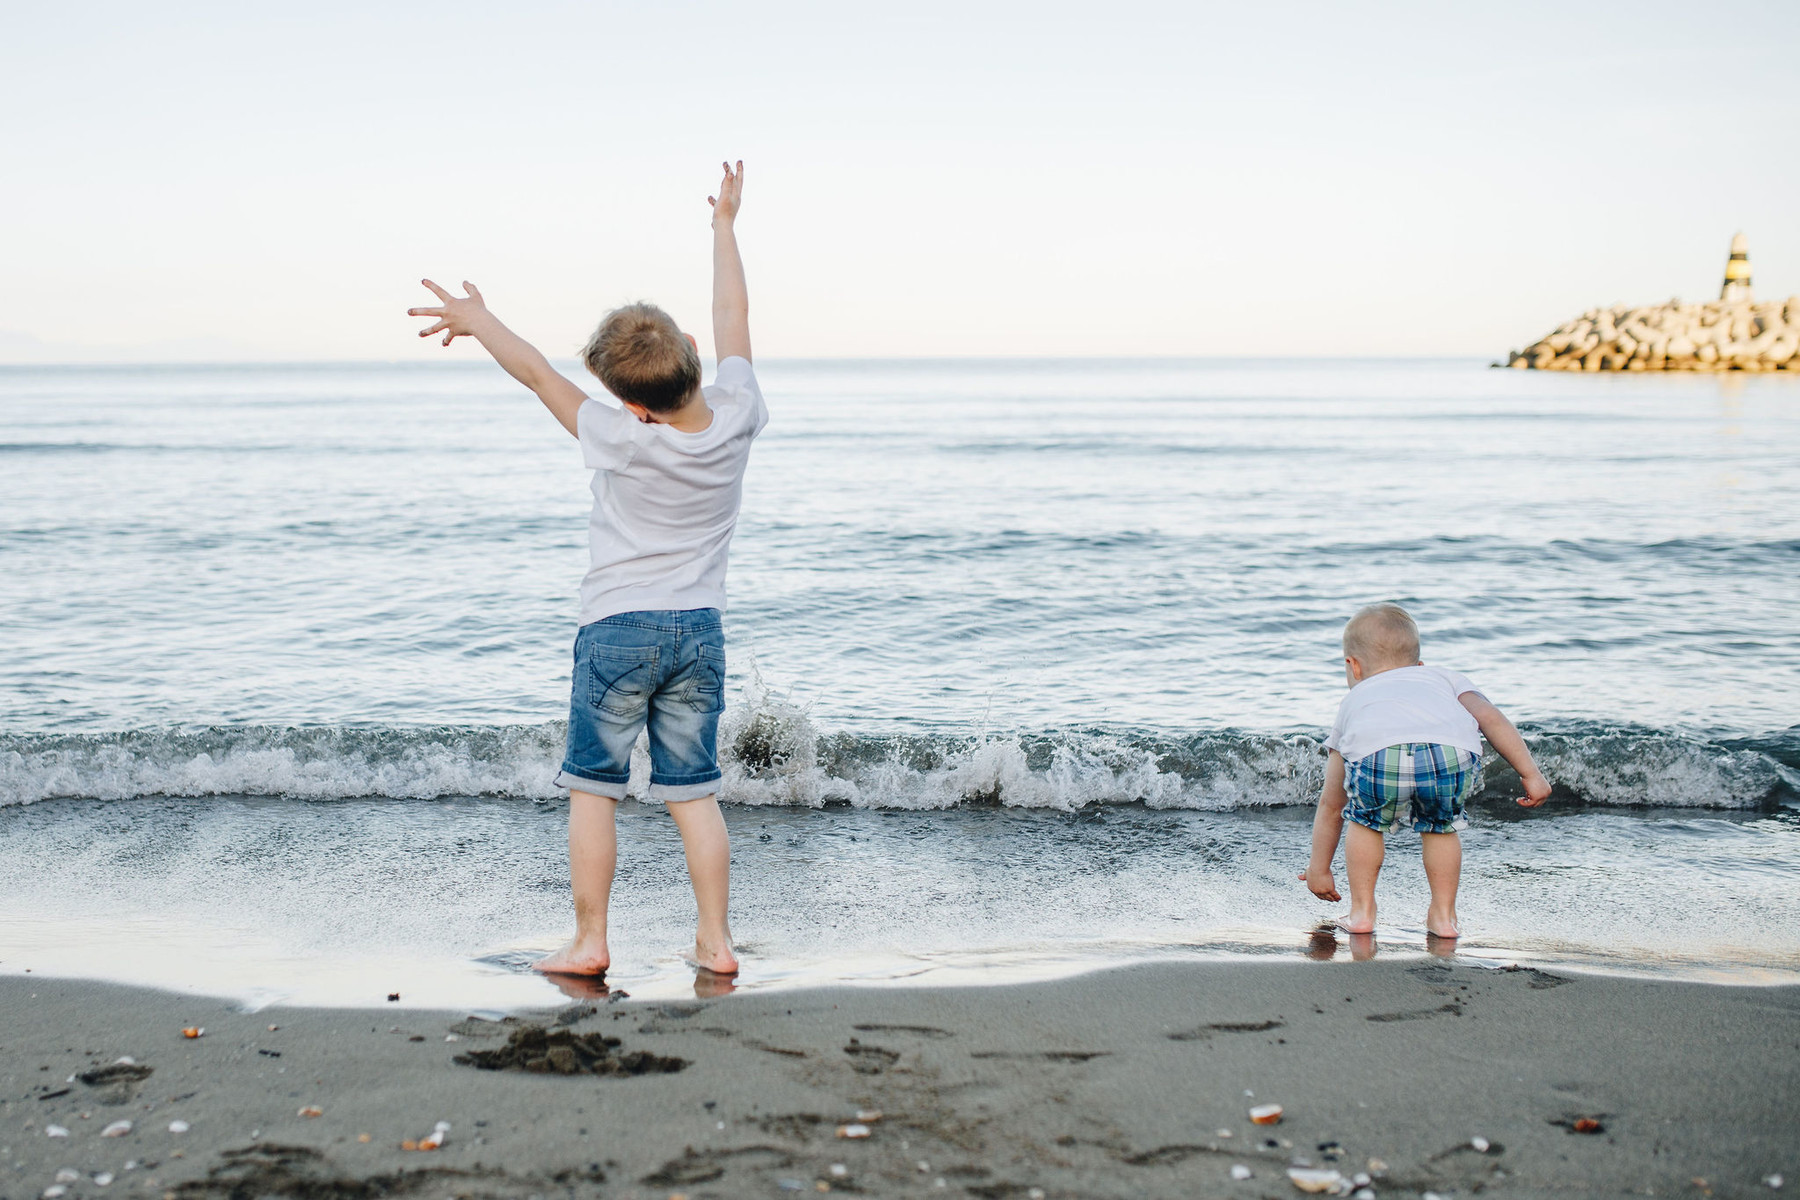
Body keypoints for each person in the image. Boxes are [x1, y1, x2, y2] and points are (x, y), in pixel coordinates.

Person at [407, 162, 760, 976]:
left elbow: (535, 372)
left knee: (593, 788)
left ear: (630, 406)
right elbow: (733, 311)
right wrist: (724, 227)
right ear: (697, 359)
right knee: (694, 793)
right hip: (700, 633)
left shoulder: (620, 436)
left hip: (616, 630)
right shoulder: (739, 412)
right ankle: (716, 941)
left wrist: (479, 318)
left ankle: (591, 940)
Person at [1300, 603, 1550, 938]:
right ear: (1419, 665)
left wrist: (1319, 868)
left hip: (1377, 752)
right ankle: (1444, 917)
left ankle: (1362, 912)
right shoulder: (1443, 678)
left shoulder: (1354, 703)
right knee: (1440, 827)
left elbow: (1332, 803)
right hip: (1449, 754)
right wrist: (1530, 772)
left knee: (1366, 822)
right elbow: (1490, 718)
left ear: (1353, 666)